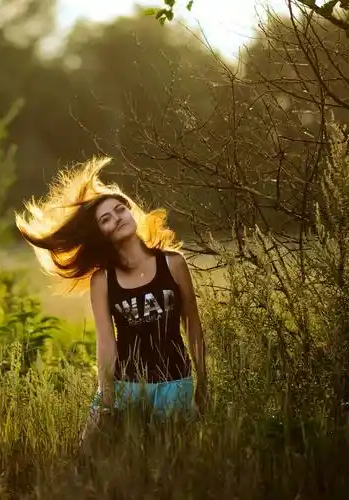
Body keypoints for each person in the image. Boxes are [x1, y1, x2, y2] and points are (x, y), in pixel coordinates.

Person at [14, 157, 208, 440]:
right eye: (106, 219)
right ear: (101, 234)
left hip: (174, 383)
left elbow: (193, 325)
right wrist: (106, 396)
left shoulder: (173, 263)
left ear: (131, 212)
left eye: (120, 210)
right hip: (126, 385)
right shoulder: (103, 280)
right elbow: (106, 342)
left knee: (170, 464)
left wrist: (203, 382)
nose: (117, 218)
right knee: (90, 457)